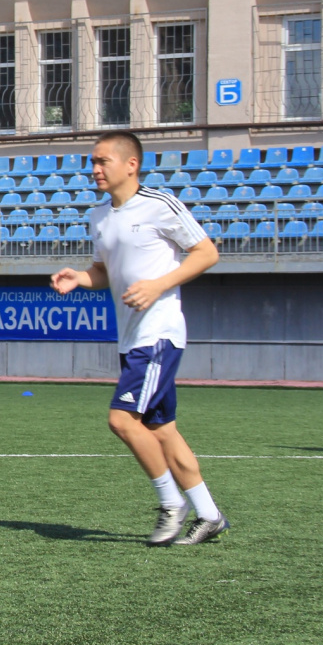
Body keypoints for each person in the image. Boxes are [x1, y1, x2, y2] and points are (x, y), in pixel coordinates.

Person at [51, 130, 226, 545]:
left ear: (131, 164)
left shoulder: (160, 205)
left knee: (122, 420)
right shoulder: (98, 216)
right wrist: (80, 278)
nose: (94, 169)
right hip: (130, 339)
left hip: (158, 333)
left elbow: (207, 253)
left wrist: (158, 285)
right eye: (92, 162)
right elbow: (104, 271)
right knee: (162, 431)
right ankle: (209, 515)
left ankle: (171, 504)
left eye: (102, 161)